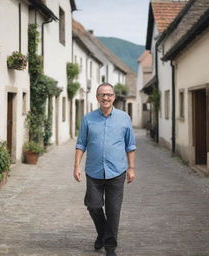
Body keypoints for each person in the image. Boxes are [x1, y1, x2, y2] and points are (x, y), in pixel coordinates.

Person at [73, 82, 136, 256]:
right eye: (102, 94)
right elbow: (81, 144)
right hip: (94, 171)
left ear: (114, 97)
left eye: (109, 94)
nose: (106, 97)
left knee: (113, 210)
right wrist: (76, 165)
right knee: (93, 205)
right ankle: (102, 232)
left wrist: (131, 168)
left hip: (117, 172)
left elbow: (130, 145)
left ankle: (110, 246)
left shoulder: (124, 118)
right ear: (97, 97)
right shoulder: (88, 119)